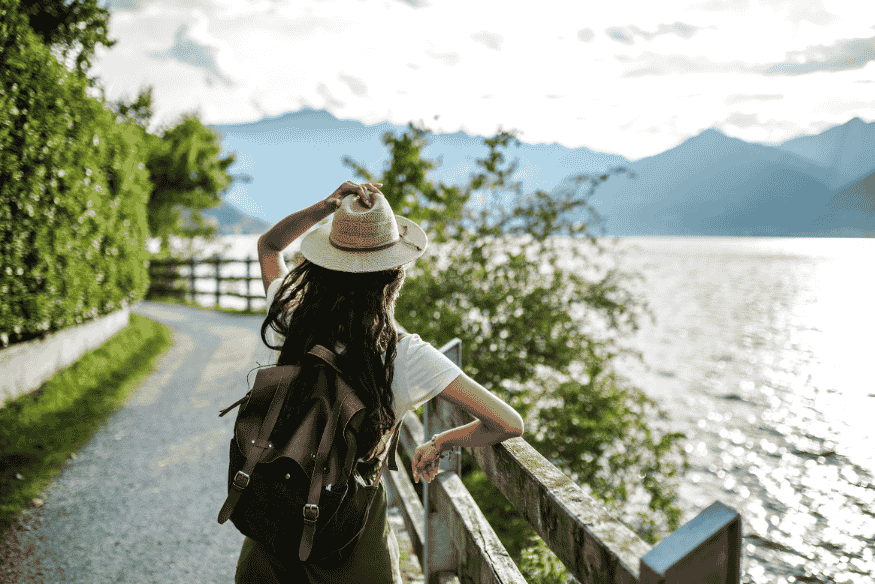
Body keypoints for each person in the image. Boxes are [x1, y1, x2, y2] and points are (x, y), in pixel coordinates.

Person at [235, 180, 524, 583]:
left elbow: (269, 245)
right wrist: (441, 443)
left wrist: (328, 205)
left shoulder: (291, 314)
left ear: (322, 263)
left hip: (274, 517)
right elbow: (507, 423)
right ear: (394, 276)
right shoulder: (405, 354)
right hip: (350, 533)